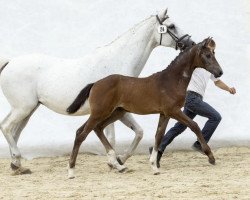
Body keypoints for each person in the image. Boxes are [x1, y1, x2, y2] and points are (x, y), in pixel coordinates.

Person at [150, 67, 236, 167]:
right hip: (191, 97)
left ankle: (157, 150)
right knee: (215, 117)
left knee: (180, 127)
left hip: (196, 98)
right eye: (212, 51)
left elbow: (217, 81)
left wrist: (229, 89)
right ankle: (200, 144)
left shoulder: (210, 66)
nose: (213, 52)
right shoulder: (197, 62)